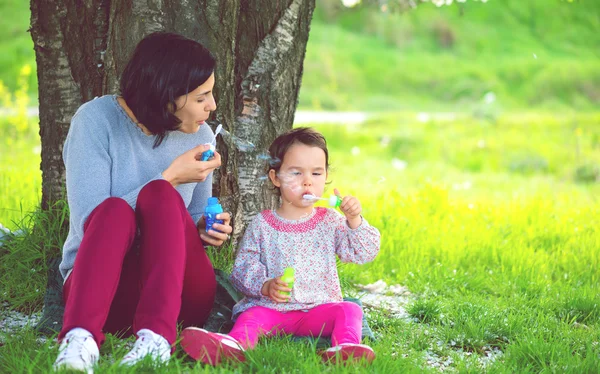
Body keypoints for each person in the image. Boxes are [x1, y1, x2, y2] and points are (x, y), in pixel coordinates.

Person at [53, 32, 233, 373]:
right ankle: (80, 340)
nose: (211, 106)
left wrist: (203, 227)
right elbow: (91, 222)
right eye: (202, 97)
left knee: (161, 196)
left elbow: (193, 215)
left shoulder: (201, 134)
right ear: (166, 97)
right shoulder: (95, 122)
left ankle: (155, 340)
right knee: (120, 207)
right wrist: (169, 178)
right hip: (101, 292)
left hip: (177, 297)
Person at [179, 127, 381, 365]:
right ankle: (233, 346)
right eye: (296, 173)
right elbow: (243, 268)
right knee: (251, 316)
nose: (307, 181)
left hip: (319, 309)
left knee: (350, 310)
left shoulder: (331, 221)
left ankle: (345, 349)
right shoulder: (263, 224)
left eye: (316, 173)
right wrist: (266, 286)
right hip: (272, 311)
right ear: (276, 178)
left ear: (326, 177)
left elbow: (364, 252)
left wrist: (354, 220)